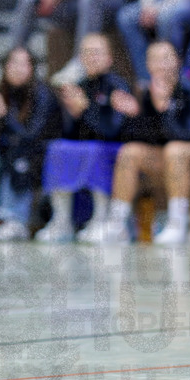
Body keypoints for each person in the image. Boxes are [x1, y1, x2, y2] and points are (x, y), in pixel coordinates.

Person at [97, 41, 190, 245]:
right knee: (130, 151)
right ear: (147, 65)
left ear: (177, 61)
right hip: (170, 160)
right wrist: (133, 115)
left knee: (174, 150)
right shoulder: (149, 93)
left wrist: (165, 108)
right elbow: (146, 139)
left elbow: (187, 134)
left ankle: (177, 224)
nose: (161, 64)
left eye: (166, 58)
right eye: (155, 59)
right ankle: (117, 224)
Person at [38, 34, 132, 243]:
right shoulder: (79, 86)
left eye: (97, 52)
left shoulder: (117, 86)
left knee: (94, 149)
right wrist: (73, 114)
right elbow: (71, 134)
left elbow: (112, 131)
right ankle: (61, 219)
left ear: (109, 58)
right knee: (58, 148)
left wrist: (86, 110)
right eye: (86, 53)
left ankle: (101, 218)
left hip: (114, 150)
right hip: (87, 148)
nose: (91, 57)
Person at [0, 47, 61, 241]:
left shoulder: (43, 95)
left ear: (33, 68)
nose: (18, 68)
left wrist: (3, 114)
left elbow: (31, 137)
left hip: (38, 155)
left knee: (19, 152)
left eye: (24, 63)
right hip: (10, 151)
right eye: (13, 63)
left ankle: (14, 218)